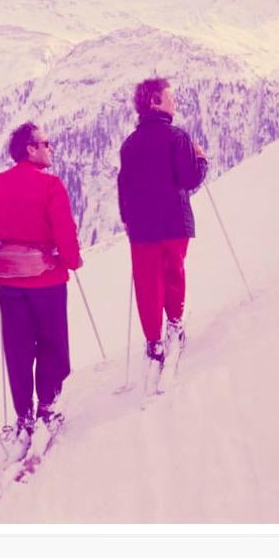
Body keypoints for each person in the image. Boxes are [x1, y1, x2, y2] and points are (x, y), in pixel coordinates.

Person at [0, 122, 82, 454]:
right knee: (53, 344)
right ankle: (47, 407)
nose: (50, 147)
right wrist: (71, 259)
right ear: (31, 148)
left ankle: (24, 416)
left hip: (9, 281)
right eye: (46, 142)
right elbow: (64, 229)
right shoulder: (50, 185)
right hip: (47, 278)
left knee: (18, 347)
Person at [117, 78, 208, 372]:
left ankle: (153, 341)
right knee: (174, 274)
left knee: (147, 282)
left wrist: (128, 220)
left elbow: (124, 187)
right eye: (170, 97)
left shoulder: (129, 145)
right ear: (155, 101)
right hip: (173, 221)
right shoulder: (177, 137)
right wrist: (201, 159)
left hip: (142, 228)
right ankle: (175, 324)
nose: (175, 102)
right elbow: (189, 179)